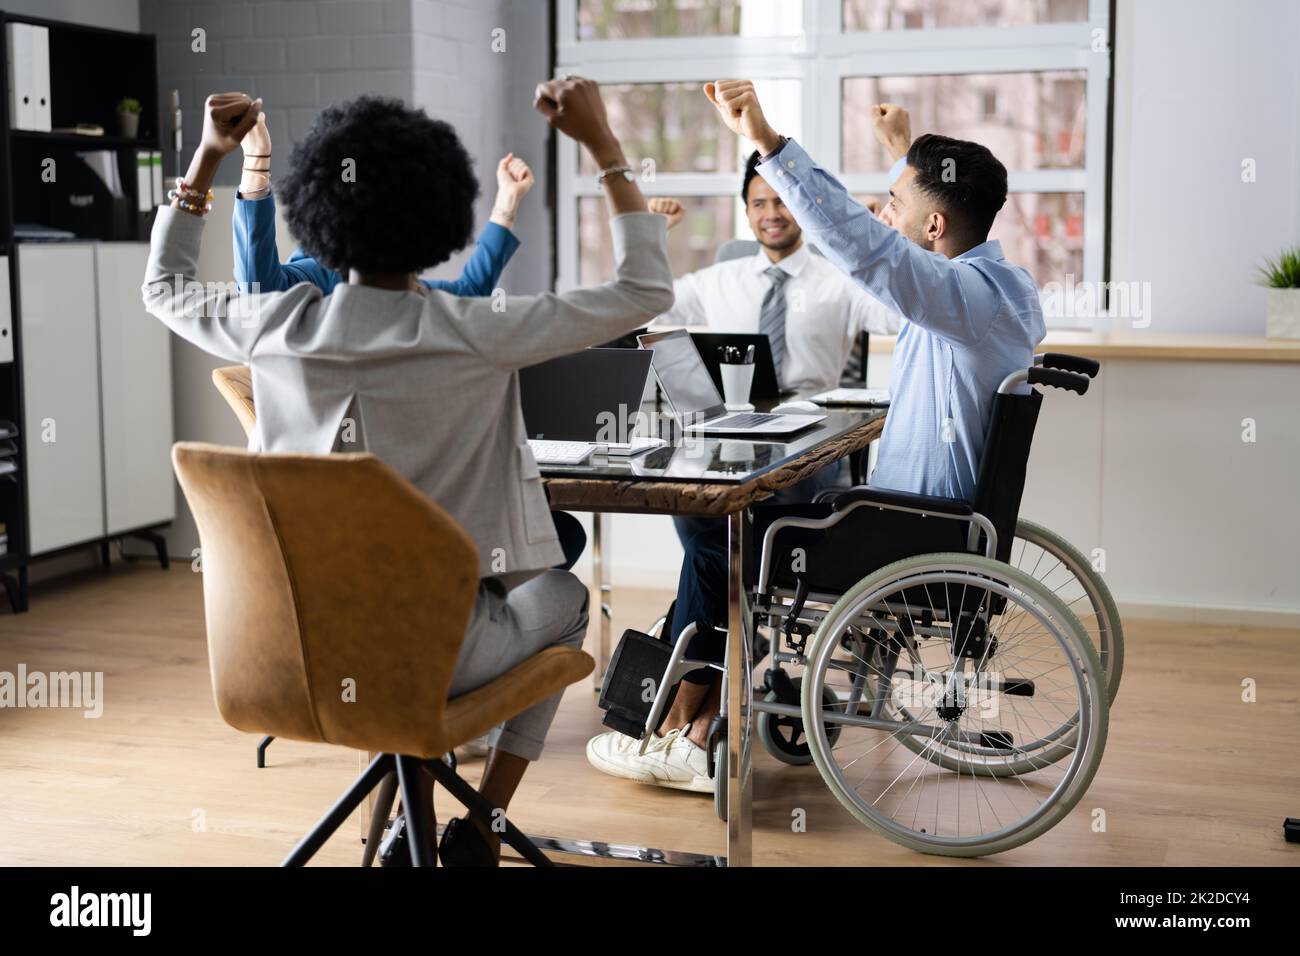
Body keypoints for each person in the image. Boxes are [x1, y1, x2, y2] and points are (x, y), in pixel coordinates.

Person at [141, 82, 672, 863]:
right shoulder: (476, 330)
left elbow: (162, 288)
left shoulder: (277, 327)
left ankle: (405, 827)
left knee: (390, 621)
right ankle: (482, 828)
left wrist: (207, 160)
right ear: (441, 218)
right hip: (432, 654)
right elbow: (643, 292)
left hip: (285, 653)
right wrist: (604, 148)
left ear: (322, 214)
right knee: (564, 597)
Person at [586, 89, 1044, 794]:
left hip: (902, 538)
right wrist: (909, 156)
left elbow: (876, 252)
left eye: (894, 203)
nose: (880, 214)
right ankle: (683, 707)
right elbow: (918, 234)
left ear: (932, 224)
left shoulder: (961, 298)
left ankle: (687, 732)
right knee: (722, 533)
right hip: (921, 523)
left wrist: (769, 140)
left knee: (713, 529)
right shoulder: (997, 289)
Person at [227, 105, 587, 573]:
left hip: (397, 494)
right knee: (548, 537)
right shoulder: (322, 269)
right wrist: (255, 163)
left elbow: (465, 295)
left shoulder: (398, 281)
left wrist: (506, 206)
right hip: (378, 512)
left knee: (557, 533)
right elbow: (257, 288)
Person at [644, 152, 898, 395]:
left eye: (782, 202)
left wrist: (875, 243)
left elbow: (897, 318)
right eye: (759, 204)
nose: (771, 215)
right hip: (735, 416)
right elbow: (648, 304)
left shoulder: (841, 280)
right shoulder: (716, 281)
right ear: (747, 214)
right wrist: (654, 233)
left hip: (817, 421)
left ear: (802, 207)